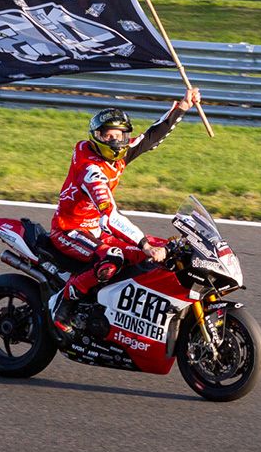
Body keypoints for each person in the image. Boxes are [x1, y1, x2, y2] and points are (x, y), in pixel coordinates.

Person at [48, 88, 203, 332]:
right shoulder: (91, 170)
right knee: (114, 257)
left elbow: (149, 138)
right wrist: (144, 244)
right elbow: (110, 216)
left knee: (166, 247)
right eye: (107, 135)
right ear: (96, 137)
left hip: (95, 230)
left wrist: (182, 107)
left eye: (119, 135)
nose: (114, 140)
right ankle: (64, 304)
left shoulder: (117, 154)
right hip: (69, 230)